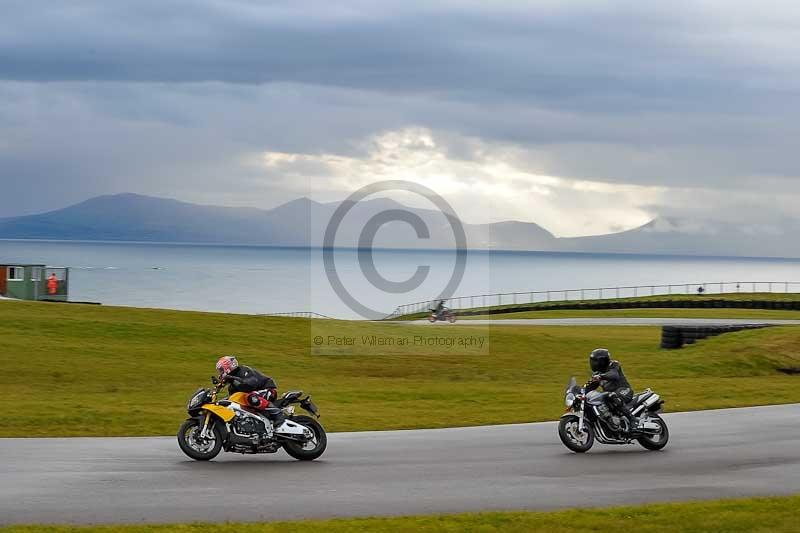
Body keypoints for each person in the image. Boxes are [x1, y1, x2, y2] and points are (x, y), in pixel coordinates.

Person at [215, 355, 282, 424]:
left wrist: (232, 379)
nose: (220, 373)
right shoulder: (232, 386)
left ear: (228, 367)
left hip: (268, 390)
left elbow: (249, 386)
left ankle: (278, 414)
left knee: (251, 398)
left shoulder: (244, 371)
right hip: (256, 394)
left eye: (221, 370)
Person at [585, 348, 635, 432]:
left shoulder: (614, 364)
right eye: (592, 361)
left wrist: (601, 376)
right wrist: (580, 391)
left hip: (624, 391)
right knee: (597, 400)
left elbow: (614, 375)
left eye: (596, 361)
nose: (593, 363)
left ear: (603, 361)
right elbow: (590, 387)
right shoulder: (597, 374)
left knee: (612, 396)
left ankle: (633, 419)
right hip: (609, 395)